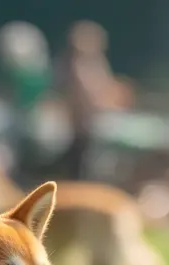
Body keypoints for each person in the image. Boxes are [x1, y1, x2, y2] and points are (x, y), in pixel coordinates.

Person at [58, 20, 118, 181]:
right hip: (83, 128)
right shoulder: (76, 66)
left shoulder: (95, 63)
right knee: (82, 169)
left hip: (97, 126)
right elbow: (91, 96)